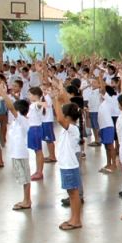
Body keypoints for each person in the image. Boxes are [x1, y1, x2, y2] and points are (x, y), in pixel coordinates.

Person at [50, 83, 83, 231]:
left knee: (74, 194)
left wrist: (56, 100)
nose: (61, 114)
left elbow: (59, 119)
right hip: (65, 165)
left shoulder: (73, 129)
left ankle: (76, 220)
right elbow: (66, 108)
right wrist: (57, 95)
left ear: (68, 117)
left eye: (64, 113)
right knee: (71, 193)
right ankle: (73, 217)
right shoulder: (69, 127)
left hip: (70, 165)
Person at [0, 82, 32, 211]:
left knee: (25, 178)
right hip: (16, 153)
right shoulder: (17, 122)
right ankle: (26, 199)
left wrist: (3, 94)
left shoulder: (22, 120)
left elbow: (11, 108)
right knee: (23, 178)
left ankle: (27, 200)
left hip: (20, 154)